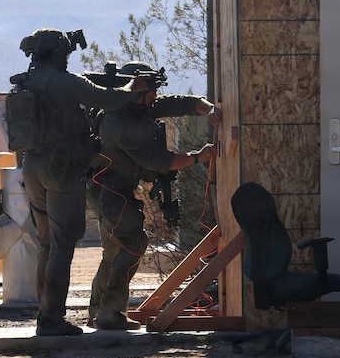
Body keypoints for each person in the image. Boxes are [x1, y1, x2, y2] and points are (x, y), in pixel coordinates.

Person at [18, 28, 148, 337]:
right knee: (62, 244)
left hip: (31, 166)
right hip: (60, 169)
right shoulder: (64, 82)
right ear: (58, 54)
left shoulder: (29, 82)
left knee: (47, 244)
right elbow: (109, 99)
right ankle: (52, 319)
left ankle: (45, 315)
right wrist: (133, 86)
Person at [88, 62, 222, 330]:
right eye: (150, 91)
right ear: (134, 92)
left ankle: (98, 312)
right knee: (132, 242)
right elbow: (156, 161)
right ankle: (110, 312)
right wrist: (198, 157)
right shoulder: (116, 119)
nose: (155, 96)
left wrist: (208, 108)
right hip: (108, 192)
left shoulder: (137, 107)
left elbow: (181, 103)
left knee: (114, 252)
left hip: (112, 191)